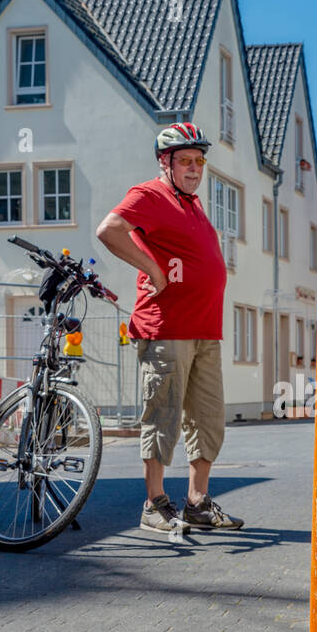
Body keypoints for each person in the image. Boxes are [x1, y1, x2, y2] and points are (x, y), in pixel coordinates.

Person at [97, 122, 243, 534]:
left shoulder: (192, 203)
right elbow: (108, 230)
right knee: (163, 415)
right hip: (167, 327)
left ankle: (197, 504)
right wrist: (152, 269)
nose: (195, 169)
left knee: (208, 418)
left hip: (204, 329)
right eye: (185, 161)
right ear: (166, 162)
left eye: (199, 161)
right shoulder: (149, 195)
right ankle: (154, 504)